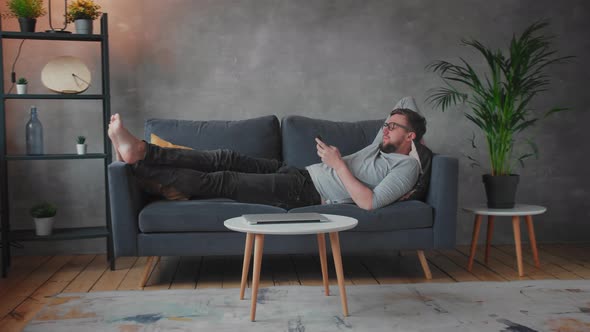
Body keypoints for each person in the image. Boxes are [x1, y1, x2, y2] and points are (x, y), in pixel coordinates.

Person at [107, 108, 426, 211]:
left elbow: (369, 202)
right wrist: (396, 122)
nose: (385, 129)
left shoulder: (407, 166)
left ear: (410, 136)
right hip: (300, 173)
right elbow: (404, 103)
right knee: (225, 157)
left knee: (224, 181)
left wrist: (338, 164)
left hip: (308, 193)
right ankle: (144, 151)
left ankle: (142, 164)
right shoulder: (380, 145)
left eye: (393, 127)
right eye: (386, 124)